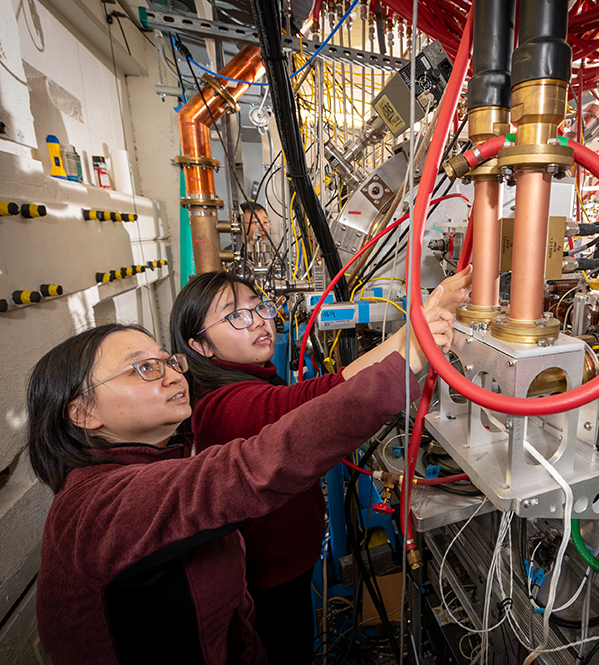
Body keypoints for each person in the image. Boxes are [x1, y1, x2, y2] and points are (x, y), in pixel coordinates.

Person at [27, 320, 452, 664]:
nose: (173, 375)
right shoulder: (99, 508)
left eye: (168, 361)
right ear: (82, 413)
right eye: (144, 368)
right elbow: (256, 466)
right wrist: (406, 360)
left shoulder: (156, 463)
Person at [169, 268, 472, 663]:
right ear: (201, 346)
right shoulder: (223, 407)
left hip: (285, 571)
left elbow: (330, 386)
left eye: (258, 306)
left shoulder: (249, 386)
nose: (259, 319)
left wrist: (414, 332)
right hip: (266, 586)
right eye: (235, 315)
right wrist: (413, 345)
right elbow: (327, 402)